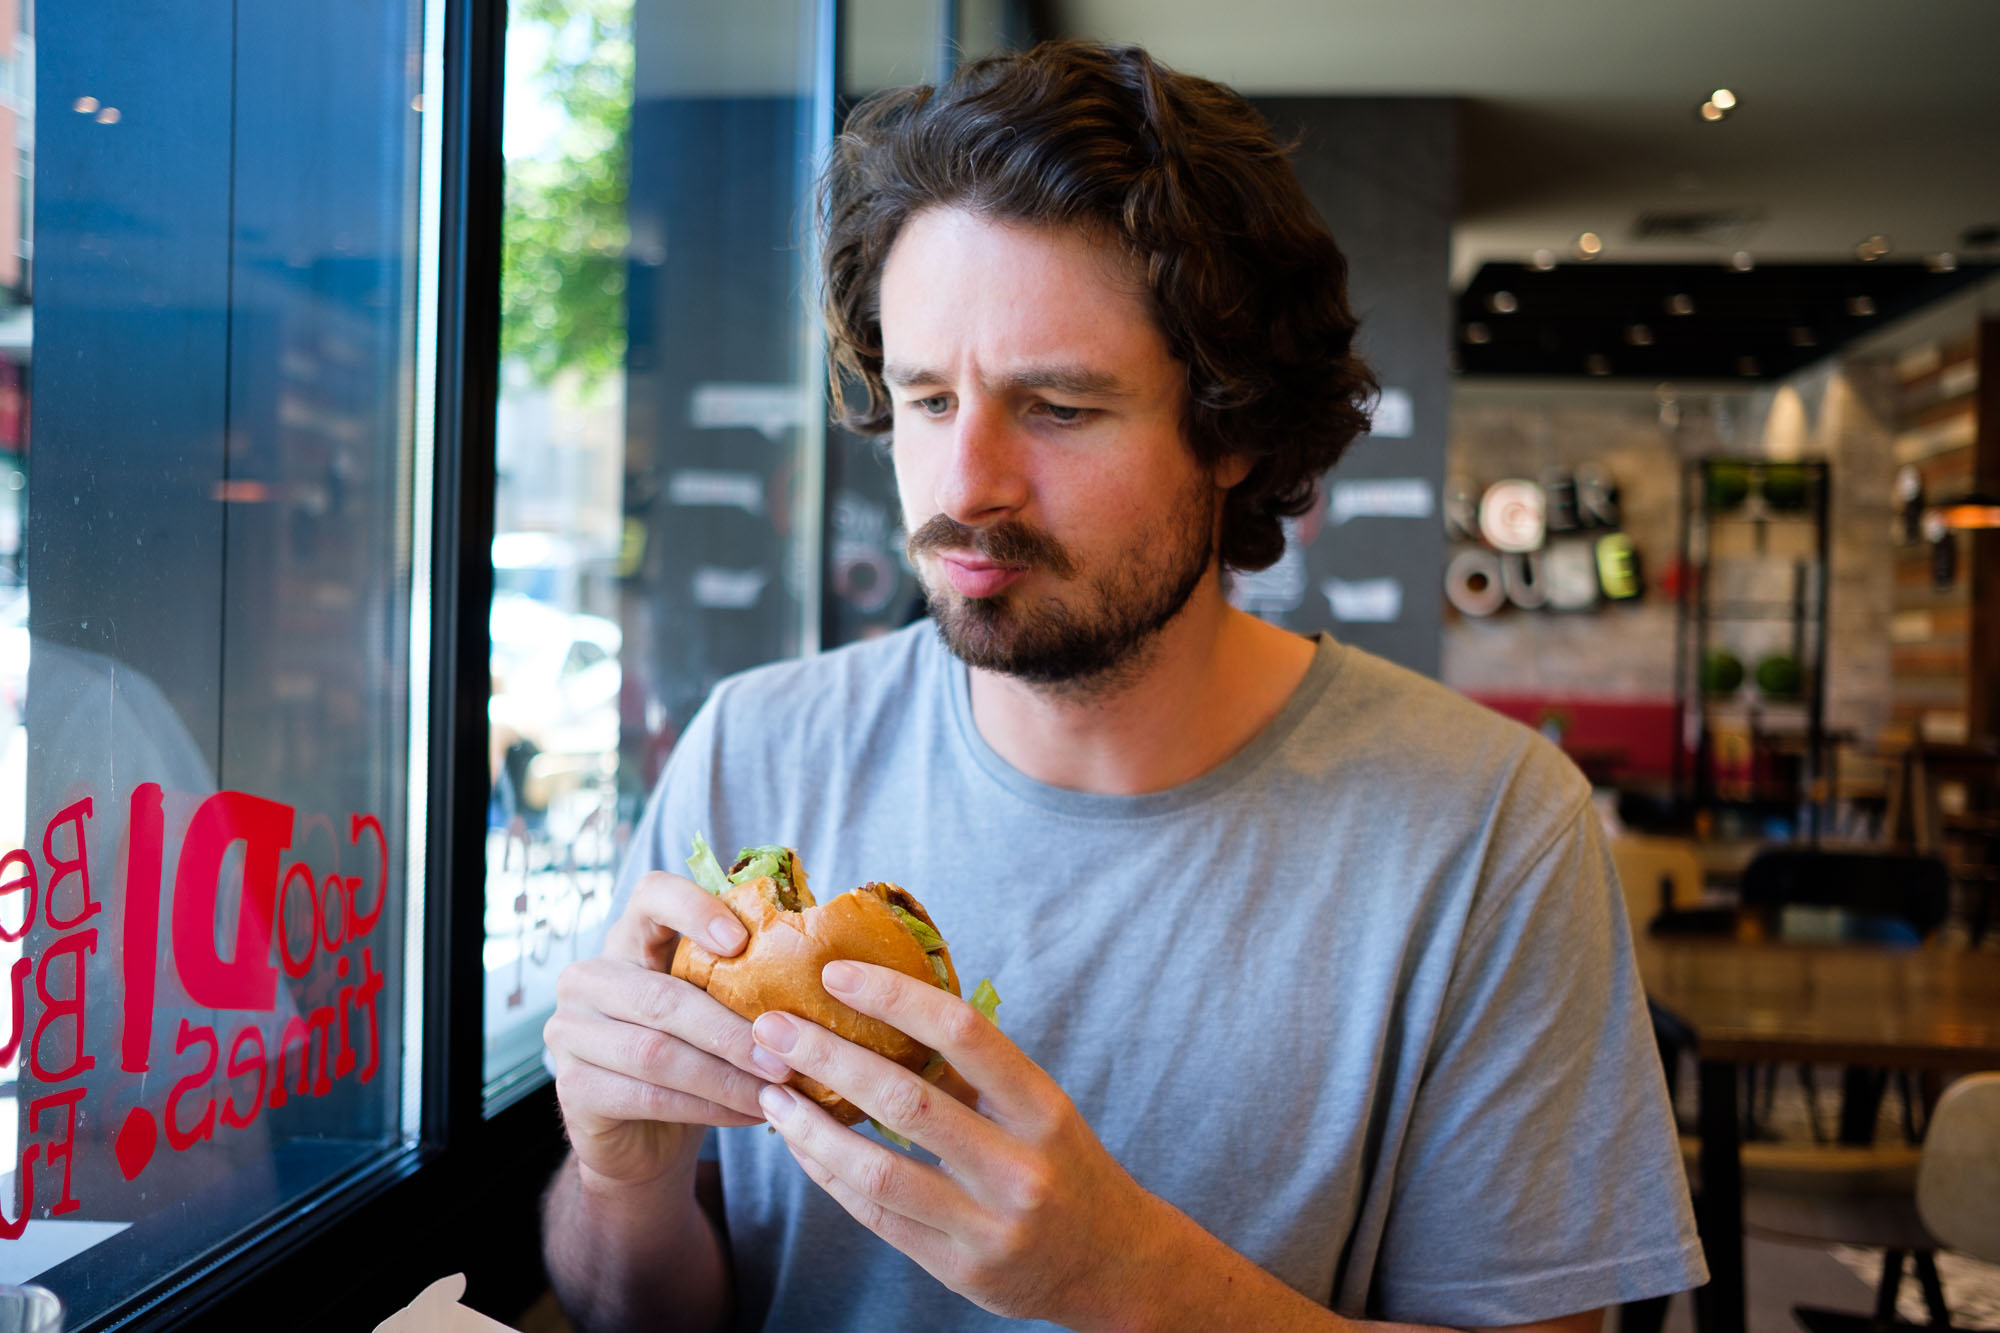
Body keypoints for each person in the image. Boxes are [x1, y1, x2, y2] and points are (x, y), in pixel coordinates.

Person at [541, 39, 1704, 1333]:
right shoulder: (752, 751)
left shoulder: (1486, 827)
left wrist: (1130, 1281)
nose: (964, 482)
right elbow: (636, 1313)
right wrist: (622, 1176)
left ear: (1238, 428)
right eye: (926, 399)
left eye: (1058, 408)